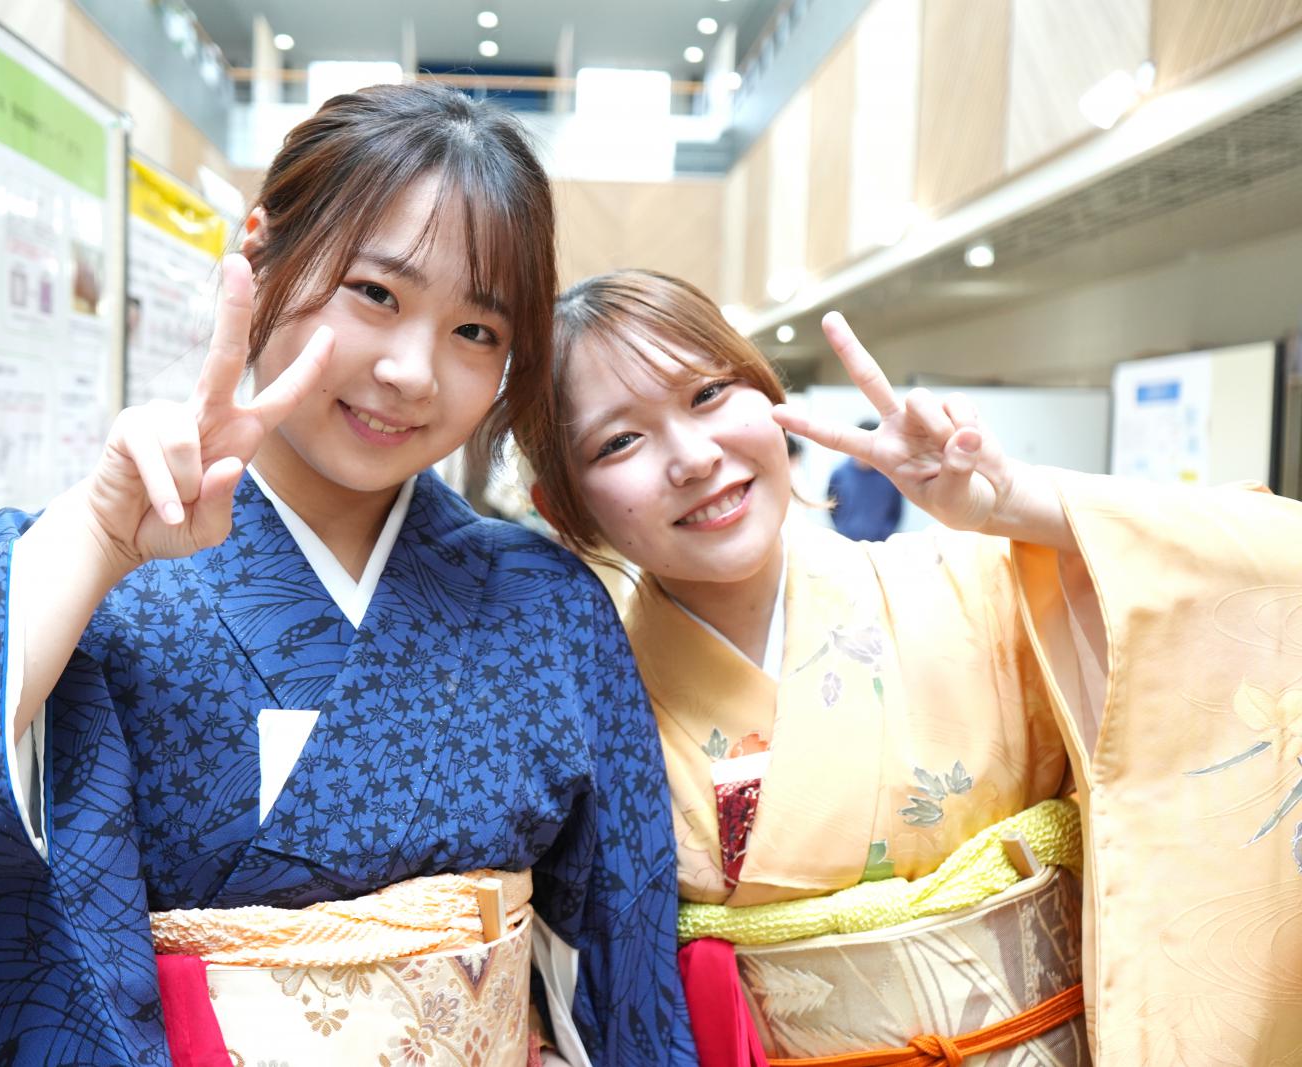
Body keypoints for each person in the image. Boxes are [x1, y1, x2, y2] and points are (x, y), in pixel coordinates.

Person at [0, 88, 694, 1066]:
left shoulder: (546, 606)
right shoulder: (90, 570)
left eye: (475, 331)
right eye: (376, 293)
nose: (412, 370)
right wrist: (99, 537)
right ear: (258, 253)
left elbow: (626, 969)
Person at [514, 268, 1302, 1066]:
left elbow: (1269, 567)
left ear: (767, 394)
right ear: (563, 507)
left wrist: (1015, 503)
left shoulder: (977, 586)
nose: (692, 457)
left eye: (709, 393)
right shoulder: (583, 707)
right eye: (619, 441)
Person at [825, 419, 903, 540]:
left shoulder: (890, 476)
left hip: (879, 545)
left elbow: (896, 511)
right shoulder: (840, 474)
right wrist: (843, 529)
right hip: (846, 543)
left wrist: (885, 533)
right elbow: (831, 506)